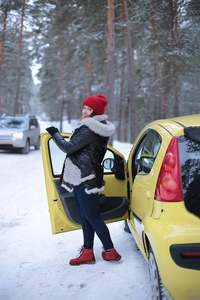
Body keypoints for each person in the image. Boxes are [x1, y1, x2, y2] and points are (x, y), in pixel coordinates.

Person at [46, 95, 121, 266]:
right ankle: (88, 252)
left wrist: (55, 134)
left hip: (85, 177)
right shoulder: (96, 127)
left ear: (95, 112)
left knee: (92, 216)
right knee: (84, 215)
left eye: (88, 109)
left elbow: (68, 147)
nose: (84, 111)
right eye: (84, 107)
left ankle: (111, 251)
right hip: (83, 175)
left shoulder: (90, 128)